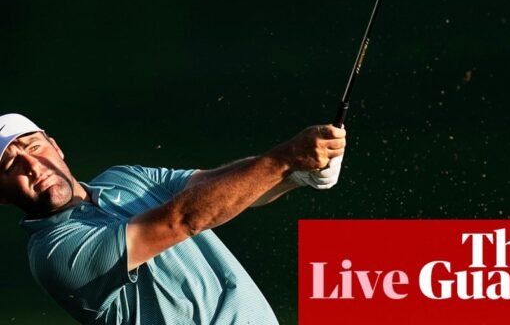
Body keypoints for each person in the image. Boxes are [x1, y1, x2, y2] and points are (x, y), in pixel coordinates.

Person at [0, 113, 346, 324]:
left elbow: (216, 185)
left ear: (56, 147)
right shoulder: (55, 252)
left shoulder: (122, 178)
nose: (33, 166)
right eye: (11, 163)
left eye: (33, 147)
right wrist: (283, 160)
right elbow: (181, 219)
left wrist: (294, 175)